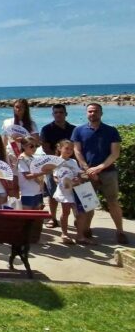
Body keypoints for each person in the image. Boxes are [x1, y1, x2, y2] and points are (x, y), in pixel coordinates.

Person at [72, 103, 127, 244]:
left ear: (101, 113)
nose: (92, 113)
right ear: (86, 113)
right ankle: (86, 229)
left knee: (113, 202)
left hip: (108, 173)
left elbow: (115, 154)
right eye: (90, 111)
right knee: (88, 204)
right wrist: (86, 168)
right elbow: (77, 151)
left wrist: (99, 168)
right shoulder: (78, 130)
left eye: (95, 111)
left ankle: (120, 231)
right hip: (87, 173)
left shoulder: (111, 131)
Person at [40, 104, 76, 228]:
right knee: (52, 194)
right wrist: (58, 162)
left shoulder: (73, 129)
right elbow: (45, 147)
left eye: (61, 112)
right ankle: (53, 218)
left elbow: (77, 147)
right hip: (53, 165)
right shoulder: (46, 129)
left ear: (66, 114)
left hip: (71, 166)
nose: (58, 114)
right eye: (56, 112)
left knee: (73, 191)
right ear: (53, 114)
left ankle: (77, 219)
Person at [52, 140, 88, 245]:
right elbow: (55, 177)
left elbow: (77, 173)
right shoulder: (56, 161)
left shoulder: (73, 161)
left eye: (71, 149)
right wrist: (62, 182)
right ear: (60, 148)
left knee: (80, 213)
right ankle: (64, 233)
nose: (69, 151)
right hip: (64, 191)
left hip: (75, 190)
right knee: (66, 212)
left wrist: (80, 178)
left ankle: (80, 235)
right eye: (66, 148)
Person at [16, 137, 47, 210]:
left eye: (36, 146)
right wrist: (42, 172)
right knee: (28, 217)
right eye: (31, 146)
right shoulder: (22, 159)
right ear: (23, 146)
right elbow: (27, 176)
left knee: (37, 217)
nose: (34, 148)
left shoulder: (34, 158)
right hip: (28, 193)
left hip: (38, 191)